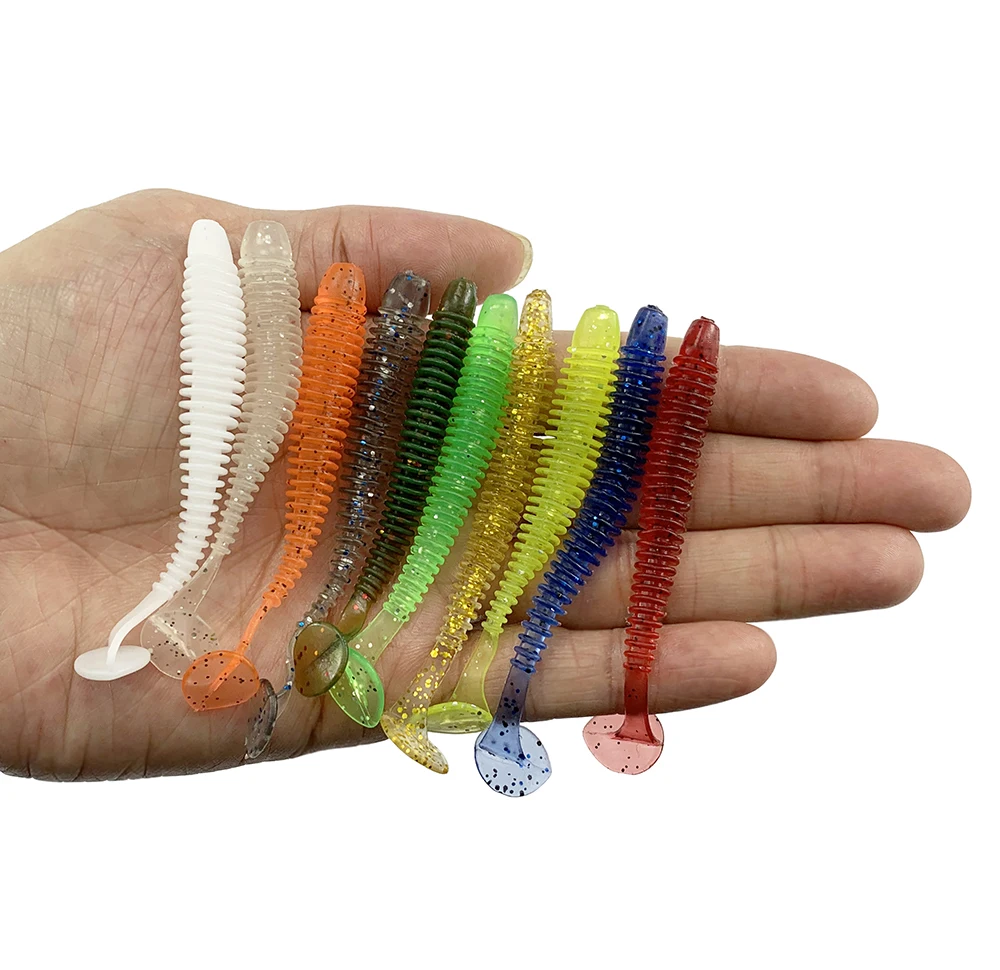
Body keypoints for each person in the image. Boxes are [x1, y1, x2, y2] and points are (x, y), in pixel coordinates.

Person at [0, 189, 971, 780]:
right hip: (355, 557)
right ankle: (384, 668)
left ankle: (379, 666)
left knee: (449, 550)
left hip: (451, 539)